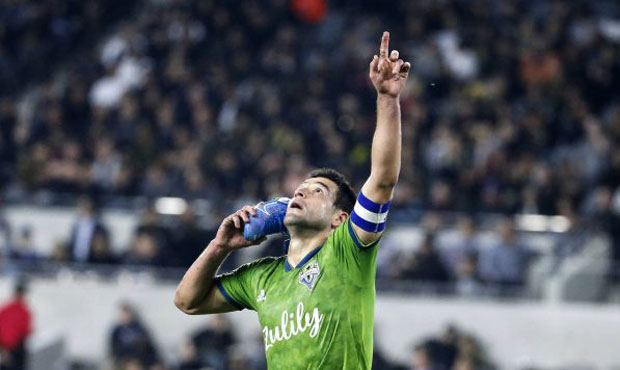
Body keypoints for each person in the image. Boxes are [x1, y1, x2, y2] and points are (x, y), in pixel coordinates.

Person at [174, 31, 411, 369]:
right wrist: (219, 248)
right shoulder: (261, 277)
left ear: (339, 219)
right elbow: (187, 302)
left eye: (319, 191)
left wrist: (387, 100)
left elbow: (384, 179)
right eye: (301, 187)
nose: (301, 191)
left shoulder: (347, 251)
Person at [0, 280, 32, 370]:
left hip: (16, 349)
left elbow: (26, 332)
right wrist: (3, 350)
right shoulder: (7, 310)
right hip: (10, 349)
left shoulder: (24, 311)